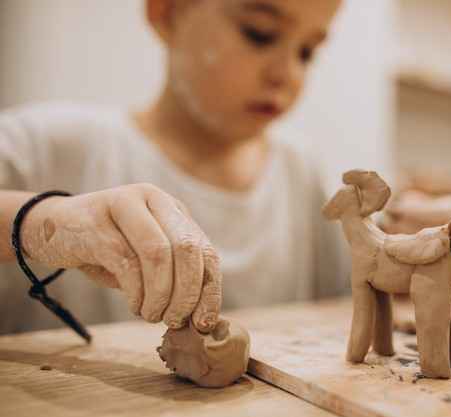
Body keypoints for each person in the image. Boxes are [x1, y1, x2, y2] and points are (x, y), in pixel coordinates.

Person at [0, 0, 348, 334]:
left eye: (307, 52)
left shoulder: (303, 174)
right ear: (166, 11)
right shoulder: (44, 144)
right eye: (259, 33)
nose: (287, 74)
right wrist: (40, 223)